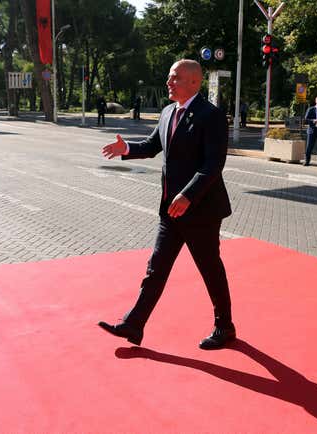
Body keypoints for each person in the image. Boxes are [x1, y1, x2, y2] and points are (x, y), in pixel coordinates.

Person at [99, 59, 235, 350]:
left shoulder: (211, 116)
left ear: (194, 83)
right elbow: (151, 146)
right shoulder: (167, 112)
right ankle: (134, 324)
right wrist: (127, 149)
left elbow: (213, 165)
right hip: (170, 210)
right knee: (156, 269)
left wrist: (188, 194)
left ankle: (225, 327)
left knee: (210, 270)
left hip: (200, 210)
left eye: (175, 78)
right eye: (169, 77)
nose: (169, 83)